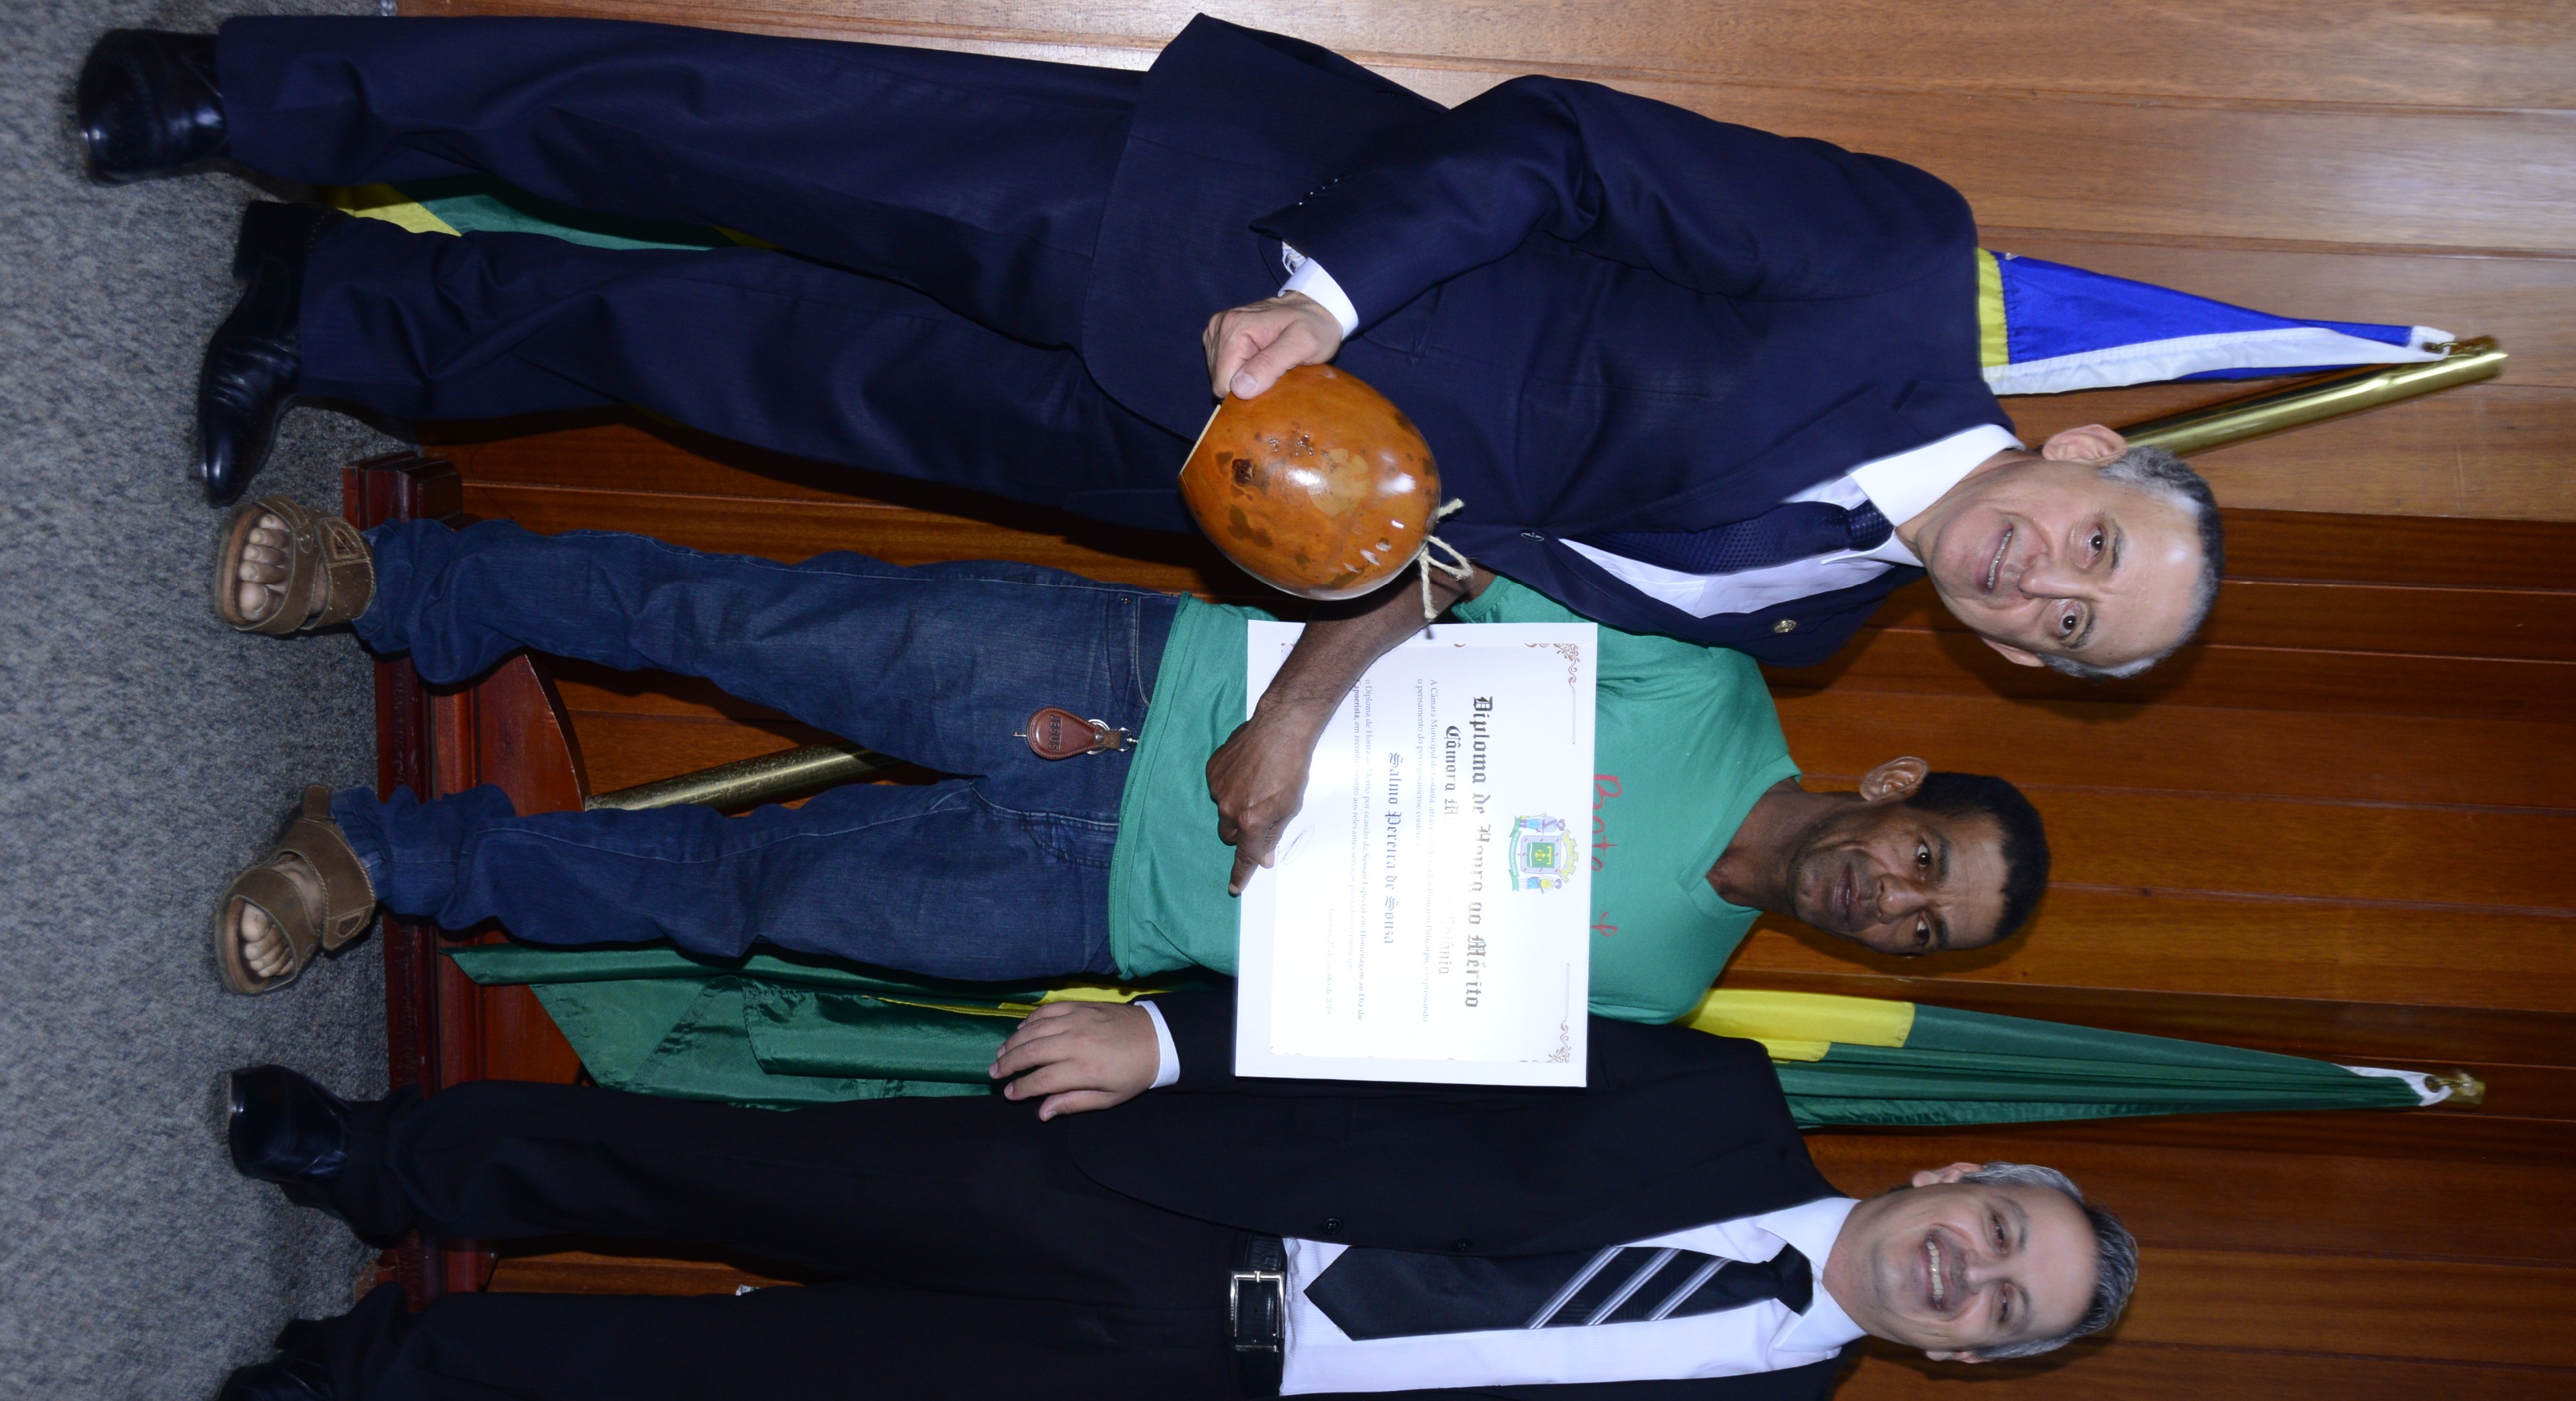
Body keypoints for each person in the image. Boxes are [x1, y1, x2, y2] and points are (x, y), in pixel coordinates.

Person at [79, 15, 2215, 874]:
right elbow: (1568, 149)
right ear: (2093, 449)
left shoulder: (1815, 626)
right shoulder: (1895, 272)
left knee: (728, 358)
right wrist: (1331, 300)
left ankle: (330, 307)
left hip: (1191, 476)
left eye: (2071, 640)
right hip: (1225, 246)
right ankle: (261, 93)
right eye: (2096, 555)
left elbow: (1508, 553)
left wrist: (1323, 662)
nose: (2043, 592)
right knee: (723, 135)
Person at [202, 981, 2138, 1401]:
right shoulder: (1716, 1099)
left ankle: (358, 1379)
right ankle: (374, 1159)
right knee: (714, 1163)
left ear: (1966, 1359)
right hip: (1158, 1184)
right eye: (1996, 1232)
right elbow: (1422, 1033)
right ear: (1951, 1181)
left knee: (726, 1380)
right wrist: (1170, 1038)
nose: (1968, 1272)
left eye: (1999, 1308)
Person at [207, 504, 2049, 1018]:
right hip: (1136, 685)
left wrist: (1160, 1040)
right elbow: (1452, 554)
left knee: (736, 891)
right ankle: (407, 583)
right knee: (741, 622)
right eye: (1925, 862)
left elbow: (1381, 1039)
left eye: (1925, 930)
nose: (1891, 903)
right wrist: (1294, 719)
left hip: (1105, 906)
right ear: (1899, 788)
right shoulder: (1710, 685)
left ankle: (388, 862)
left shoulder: (1657, 993)